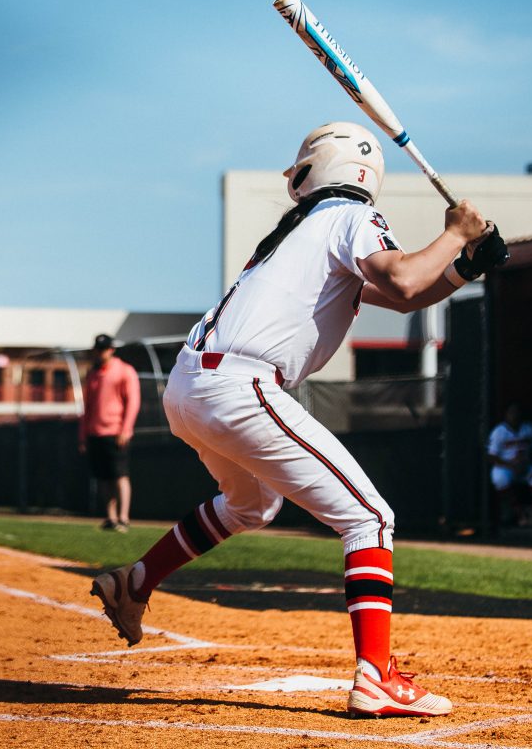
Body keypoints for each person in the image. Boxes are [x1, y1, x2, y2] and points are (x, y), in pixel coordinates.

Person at [88, 122, 506, 718]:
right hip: (238, 384)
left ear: (320, 167)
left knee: (251, 506)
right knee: (371, 518)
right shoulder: (346, 213)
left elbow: (409, 294)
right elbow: (406, 275)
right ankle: (375, 676)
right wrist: (456, 233)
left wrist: (466, 266)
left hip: (193, 384)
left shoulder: (314, 228)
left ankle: (137, 580)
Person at [79, 334, 141, 532]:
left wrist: (126, 429)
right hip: (95, 433)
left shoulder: (124, 371)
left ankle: (124, 517)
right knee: (103, 477)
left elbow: (133, 402)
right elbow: (87, 407)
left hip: (115, 431)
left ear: (111, 349)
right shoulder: (93, 374)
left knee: (120, 475)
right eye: (98, 349)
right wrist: (83, 435)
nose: (101, 352)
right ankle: (111, 517)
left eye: (104, 349)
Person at [486, 402, 532, 526]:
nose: (515, 415)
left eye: (517, 412)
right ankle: (515, 512)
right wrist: (510, 466)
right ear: (506, 415)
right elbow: (491, 456)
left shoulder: (529, 428)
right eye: (512, 412)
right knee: (500, 478)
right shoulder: (499, 431)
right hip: (506, 466)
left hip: (526, 465)